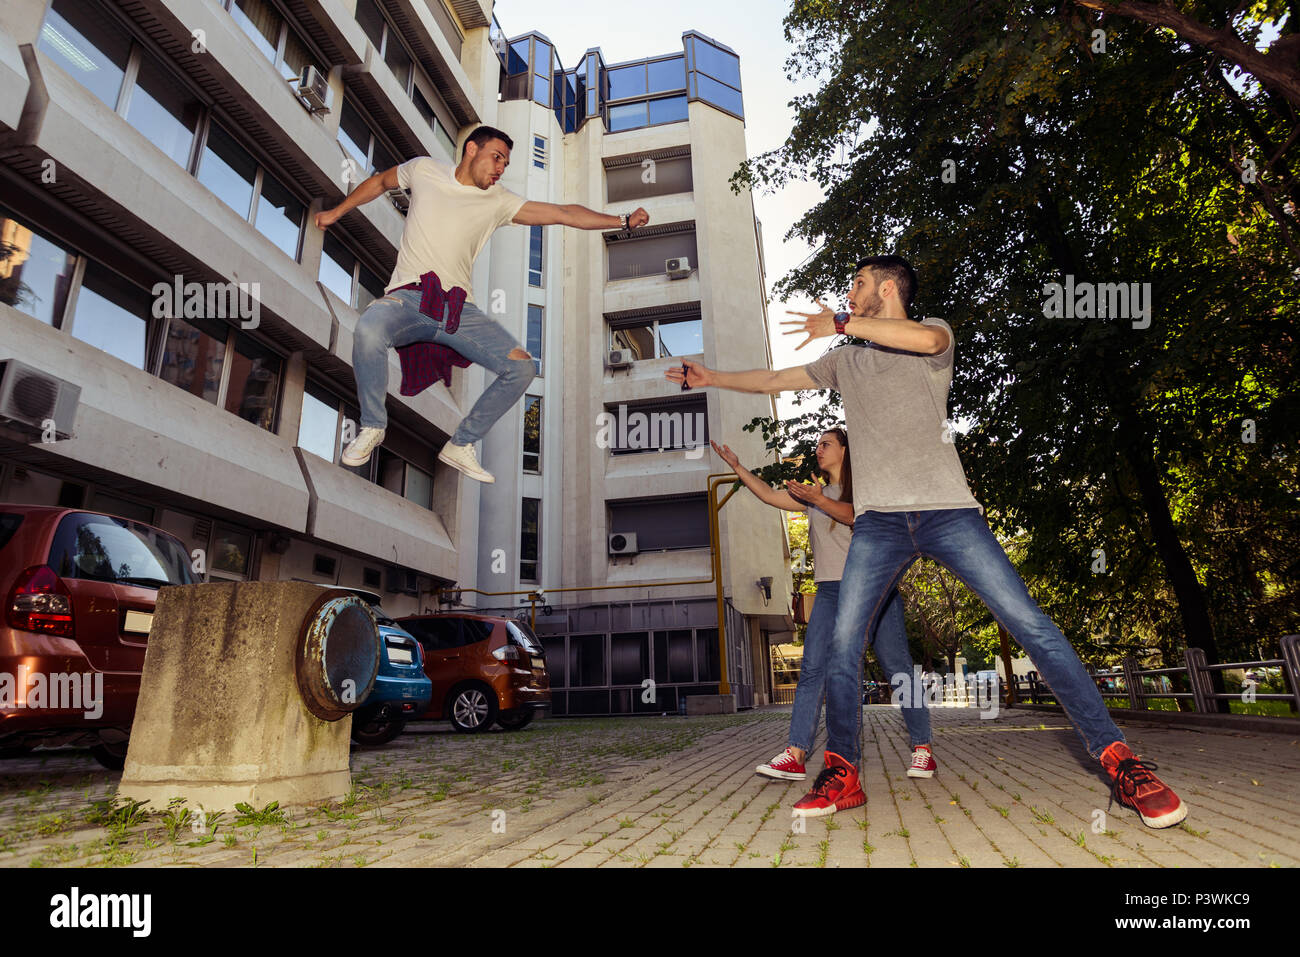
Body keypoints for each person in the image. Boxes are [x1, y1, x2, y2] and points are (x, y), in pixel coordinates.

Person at [666, 255, 1187, 829]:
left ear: (887, 288)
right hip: (879, 522)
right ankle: (843, 773)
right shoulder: (845, 361)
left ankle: (1120, 761)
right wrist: (711, 377)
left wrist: (841, 321)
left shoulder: (931, 338)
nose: (850, 292)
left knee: (1029, 623)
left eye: (858, 284)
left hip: (948, 512)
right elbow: (773, 380)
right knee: (842, 643)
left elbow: (917, 335)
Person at [315, 125, 649, 483]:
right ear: (472, 149)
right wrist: (337, 212)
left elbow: (562, 213)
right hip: (408, 299)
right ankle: (373, 427)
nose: (501, 168)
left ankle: (462, 443)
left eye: (506, 163)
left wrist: (622, 221)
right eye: (497, 158)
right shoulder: (425, 170)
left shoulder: (499, 200)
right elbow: (380, 182)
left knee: (521, 369)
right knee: (368, 328)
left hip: (459, 312)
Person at [710, 432, 935, 794]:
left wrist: (817, 499)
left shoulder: (865, 490)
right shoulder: (812, 496)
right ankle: (795, 753)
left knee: (897, 669)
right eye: (817, 444)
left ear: (845, 450)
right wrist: (737, 467)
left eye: (826, 443)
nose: (818, 449)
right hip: (830, 589)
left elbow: (853, 516)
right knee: (813, 669)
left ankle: (923, 747)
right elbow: (768, 495)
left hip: (874, 587)